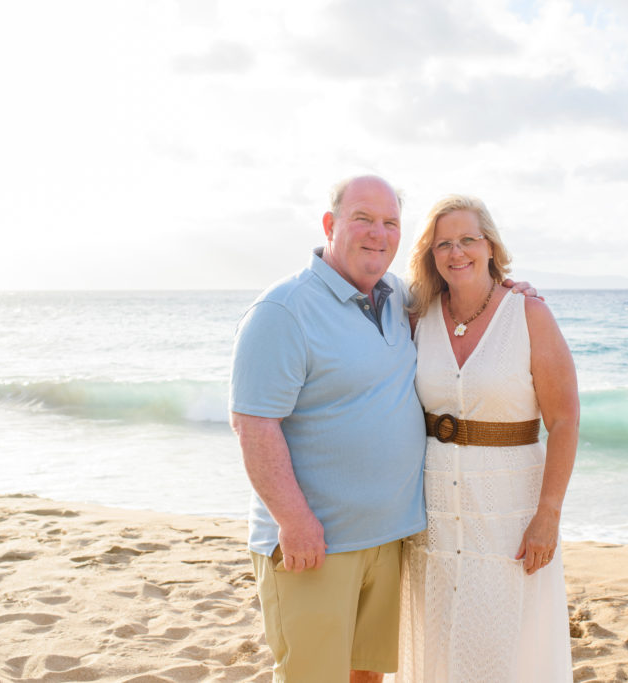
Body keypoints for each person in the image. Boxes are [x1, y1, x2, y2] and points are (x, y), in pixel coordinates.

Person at [229, 176, 535, 683]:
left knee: (368, 677)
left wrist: (507, 291)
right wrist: (294, 520)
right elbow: (253, 424)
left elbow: (463, 288)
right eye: (363, 219)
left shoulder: (397, 297)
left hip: (391, 540)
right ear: (330, 225)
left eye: (390, 222)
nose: (378, 233)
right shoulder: (282, 311)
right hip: (316, 544)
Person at [398, 195, 580, 682]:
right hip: (432, 513)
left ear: (491, 246)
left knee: (505, 642)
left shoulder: (529, 314)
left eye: (467, 240)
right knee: (435, 638)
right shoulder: (418, 316)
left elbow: (564, 420)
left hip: (510, 514)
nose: (456, 252)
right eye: (443, 244)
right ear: (429, 255)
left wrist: (549, 514)